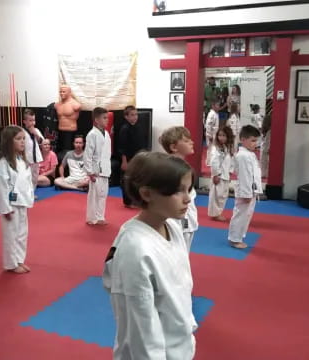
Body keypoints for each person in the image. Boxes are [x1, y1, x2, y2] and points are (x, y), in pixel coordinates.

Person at [102, 152, 197, 360]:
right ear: (147, 194)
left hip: (179, 343)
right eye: (178, 191)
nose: (188, 198)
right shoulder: (135, 249)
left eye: (188, 189)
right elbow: (140, 327)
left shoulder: (172, 226)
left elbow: (180, 289)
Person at [0, 126, 34, 274]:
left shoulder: (23, 161)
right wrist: (5, 208)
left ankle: (19, 259)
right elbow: (1, 187)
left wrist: (29, 198)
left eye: (23, 138)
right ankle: (11, 263)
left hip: (22, 202)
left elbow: (28, 183)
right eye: (18, 139)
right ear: (8, 142)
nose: (22, 142)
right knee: (11, 235)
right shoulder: (4, 163)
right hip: (11, 204)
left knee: (22, 234)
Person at [160, 126, 198, 251]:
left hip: (188, 218)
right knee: (176, 254)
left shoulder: (185, 168)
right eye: (186, 141)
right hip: (177, 220)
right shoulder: (170, 170)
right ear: (174, 147)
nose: (191, 142)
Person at [228, 125, 262, 249]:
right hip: (245, 190)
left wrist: (255, 191)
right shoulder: (243, 156)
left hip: (250, 190)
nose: (255, 143)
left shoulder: (249, 154)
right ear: (243, 139)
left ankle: (239, 236)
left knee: (246, 215)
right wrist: (247, 194)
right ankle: (234, 238)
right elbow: (245, 176)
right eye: (253, 140)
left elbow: (253, 175)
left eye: (256, 140)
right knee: (240, 214)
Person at [84, 107, 111, 226]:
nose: (107, 120)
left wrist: (107, 167)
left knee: (103, 194)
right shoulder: (92, 134)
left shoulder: (106, 133)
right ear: (96, 120)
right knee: (94, 195)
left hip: (105, 168)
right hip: (95, 169)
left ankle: (100, 216)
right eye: (104, 118)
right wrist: (89, 172)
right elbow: (88, 154)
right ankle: (92, 218)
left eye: (107, 118)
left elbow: (107, 153)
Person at [117, 105, 149, 207]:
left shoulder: (139, 127)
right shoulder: (124, 129)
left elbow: (142, 143)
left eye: (136, 115)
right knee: (127, 180)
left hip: (139, 157)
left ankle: (135, 199)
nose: (135, 117)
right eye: (132, 115)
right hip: (128, 158)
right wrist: (124, 161)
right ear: (126, 117)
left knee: (137, 180)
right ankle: (127, 202)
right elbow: (122, 146)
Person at [208, 127, 235, 221]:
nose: (221, 138)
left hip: (225, 175)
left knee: (223, 195)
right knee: (216, 195)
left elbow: (231, 161)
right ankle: (215, 214)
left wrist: (230, 172)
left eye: (224, 135)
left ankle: (218, 212)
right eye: (220, 135)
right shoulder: (216, 148)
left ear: (228, 137)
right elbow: (214, 162)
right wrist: (216, 175)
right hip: (219, 175)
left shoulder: (228, 147)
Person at [54, 85, 81, 152]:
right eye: (60, 92)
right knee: (59, 154)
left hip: (70, 132)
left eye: (64, 92)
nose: (61, 93)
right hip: (59, 132)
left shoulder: (75, 105)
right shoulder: (57, 105)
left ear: (69, 92)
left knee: (69, 154)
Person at [22, 109, 44, 191]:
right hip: (26, 158)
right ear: (25, 121)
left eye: (33, 120)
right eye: (30, 120)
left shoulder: (37, 130)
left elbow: (41, 142)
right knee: (26, 176)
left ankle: (32, 192)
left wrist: (35, 133)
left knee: (35, 177)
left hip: (36, 158)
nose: (32, 123)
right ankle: (25, 193)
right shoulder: (22, 131)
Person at [205, 101, 220, 166]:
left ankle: (210, 161)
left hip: (215, 133)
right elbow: (208, 125)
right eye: (217, 105)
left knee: (213, 148)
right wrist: (209, 135)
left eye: (219, 105)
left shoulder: (215, 114)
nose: (218, 107)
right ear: (213, 106)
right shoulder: (211, 114)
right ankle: (209, 162)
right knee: (211, 148)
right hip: (211, 134)